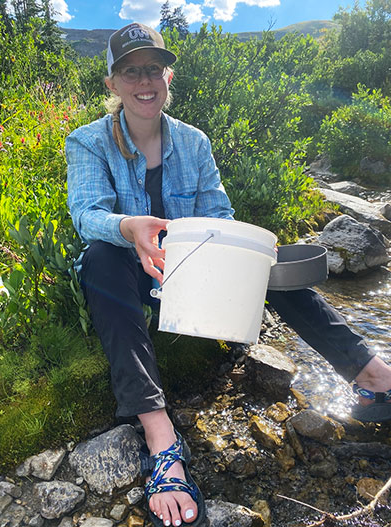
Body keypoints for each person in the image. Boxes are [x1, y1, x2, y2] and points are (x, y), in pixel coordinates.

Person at [66, 22, 391, 527]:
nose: (144, 80)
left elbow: (219, 214)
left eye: (154, 68)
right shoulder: (87, 142)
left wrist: (240, 248)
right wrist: (129, 227)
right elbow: (86, 213)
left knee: (266, 258)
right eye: (131, 71)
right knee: (99, 257)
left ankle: (371, 375)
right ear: (112, 83)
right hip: (130, 277)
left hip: (194, 277)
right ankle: (159, 434)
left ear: (168, 76)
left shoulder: (194, 143)